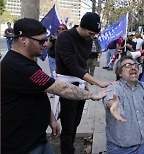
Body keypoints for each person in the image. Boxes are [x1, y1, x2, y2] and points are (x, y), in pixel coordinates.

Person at [1, 18, 111, 154]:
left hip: (37, 138)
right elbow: (60, 88)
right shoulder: (18, 66)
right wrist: (92, 95)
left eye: (46, 40)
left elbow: (40, 92)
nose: (45, 44)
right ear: (24, 40)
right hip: (21, 144)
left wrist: (51, 118)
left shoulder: (27, 62)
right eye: (41, 41)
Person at [55, 12, 113, 154]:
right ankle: (67, 151)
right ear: (83, 26)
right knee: (68, 126)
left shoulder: (88, 40)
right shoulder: (65, 38)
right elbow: (73, 66)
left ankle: (72, 148)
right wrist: (98, 82)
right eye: (91, 33)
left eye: (95, 34)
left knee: (76, 122)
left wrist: (85, 82)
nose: (92, 37)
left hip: (80, 83)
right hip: (67, 85)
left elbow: (83, 63)